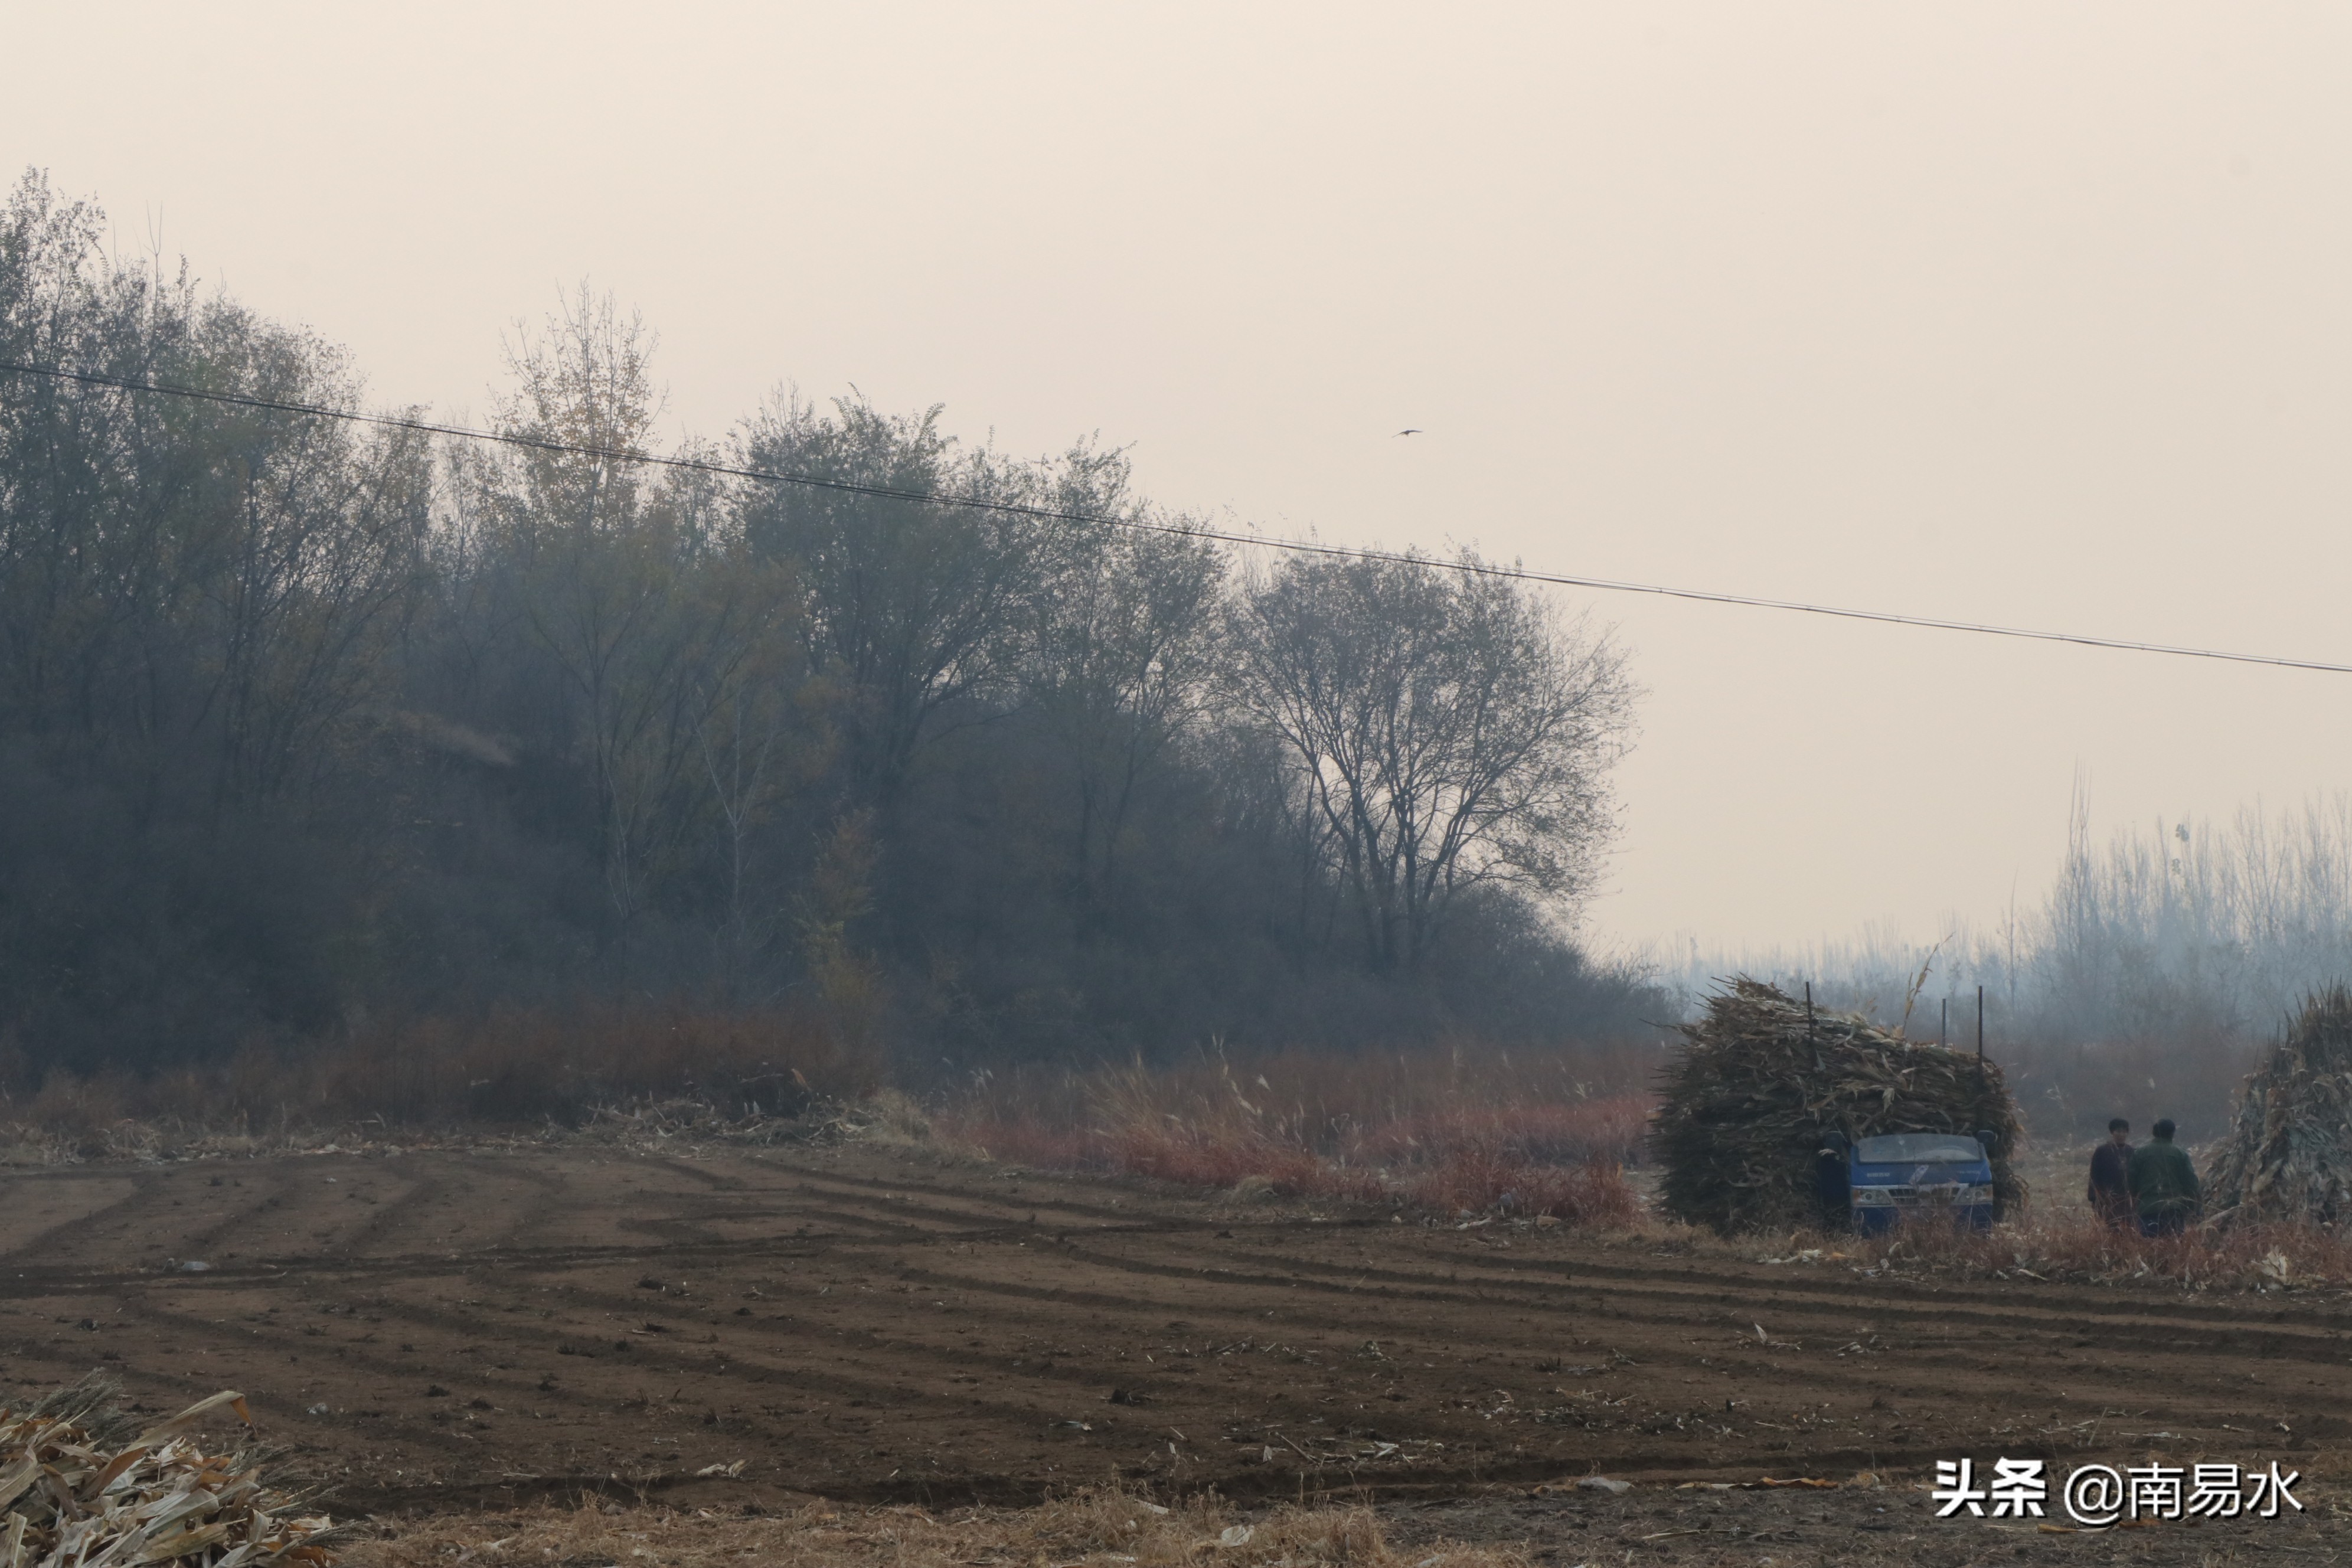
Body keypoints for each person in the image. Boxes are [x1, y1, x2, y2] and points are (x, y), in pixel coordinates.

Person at [2127, 1118, 2200, 1236]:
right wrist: (2193, 1208)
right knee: (2173, 1247)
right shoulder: (2180, 1154)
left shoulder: (2140, 1153)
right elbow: (2191, 1183)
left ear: (2154, 1133)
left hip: (2147, 1208)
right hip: (2174, 1209)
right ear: (2172, 1133)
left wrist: (2136, 1201)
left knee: (2149, 1247)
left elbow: (2131, 1181)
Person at [2086, 1118, 2134, 1228]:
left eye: (2124, 1132)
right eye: (2118, 1131)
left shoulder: (2131, 1151)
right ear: (2112, 1133)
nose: (2121, 1135)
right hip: (2107, 1198)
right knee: (2110, 1227)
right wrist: (2094, 1197)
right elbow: (2094, 1175)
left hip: (2126, 1200)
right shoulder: (2102, 1151)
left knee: (2128, 1227)